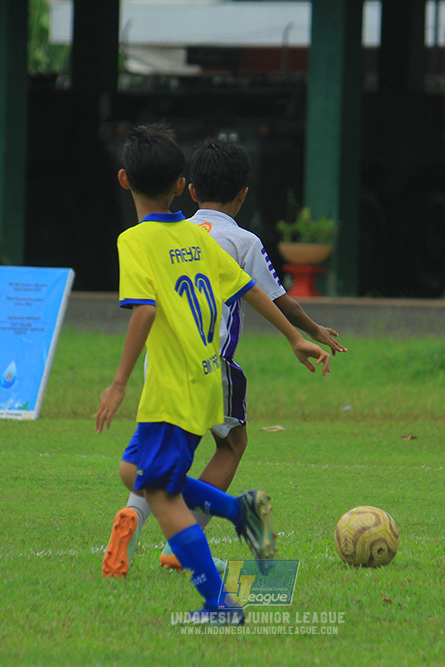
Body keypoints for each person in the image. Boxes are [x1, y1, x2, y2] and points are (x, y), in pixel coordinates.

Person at [95, 124, 330, 625]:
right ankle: (238, 509)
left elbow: (143, 312)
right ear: (181, 185)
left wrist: (117, 383)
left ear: (122, 180)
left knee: (160, 494)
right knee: (134, 472)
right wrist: (293, 336)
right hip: (204, 382)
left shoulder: (135, 240)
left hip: (170, 387)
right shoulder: (197, 237)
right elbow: (249, 287)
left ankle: (218, 601)